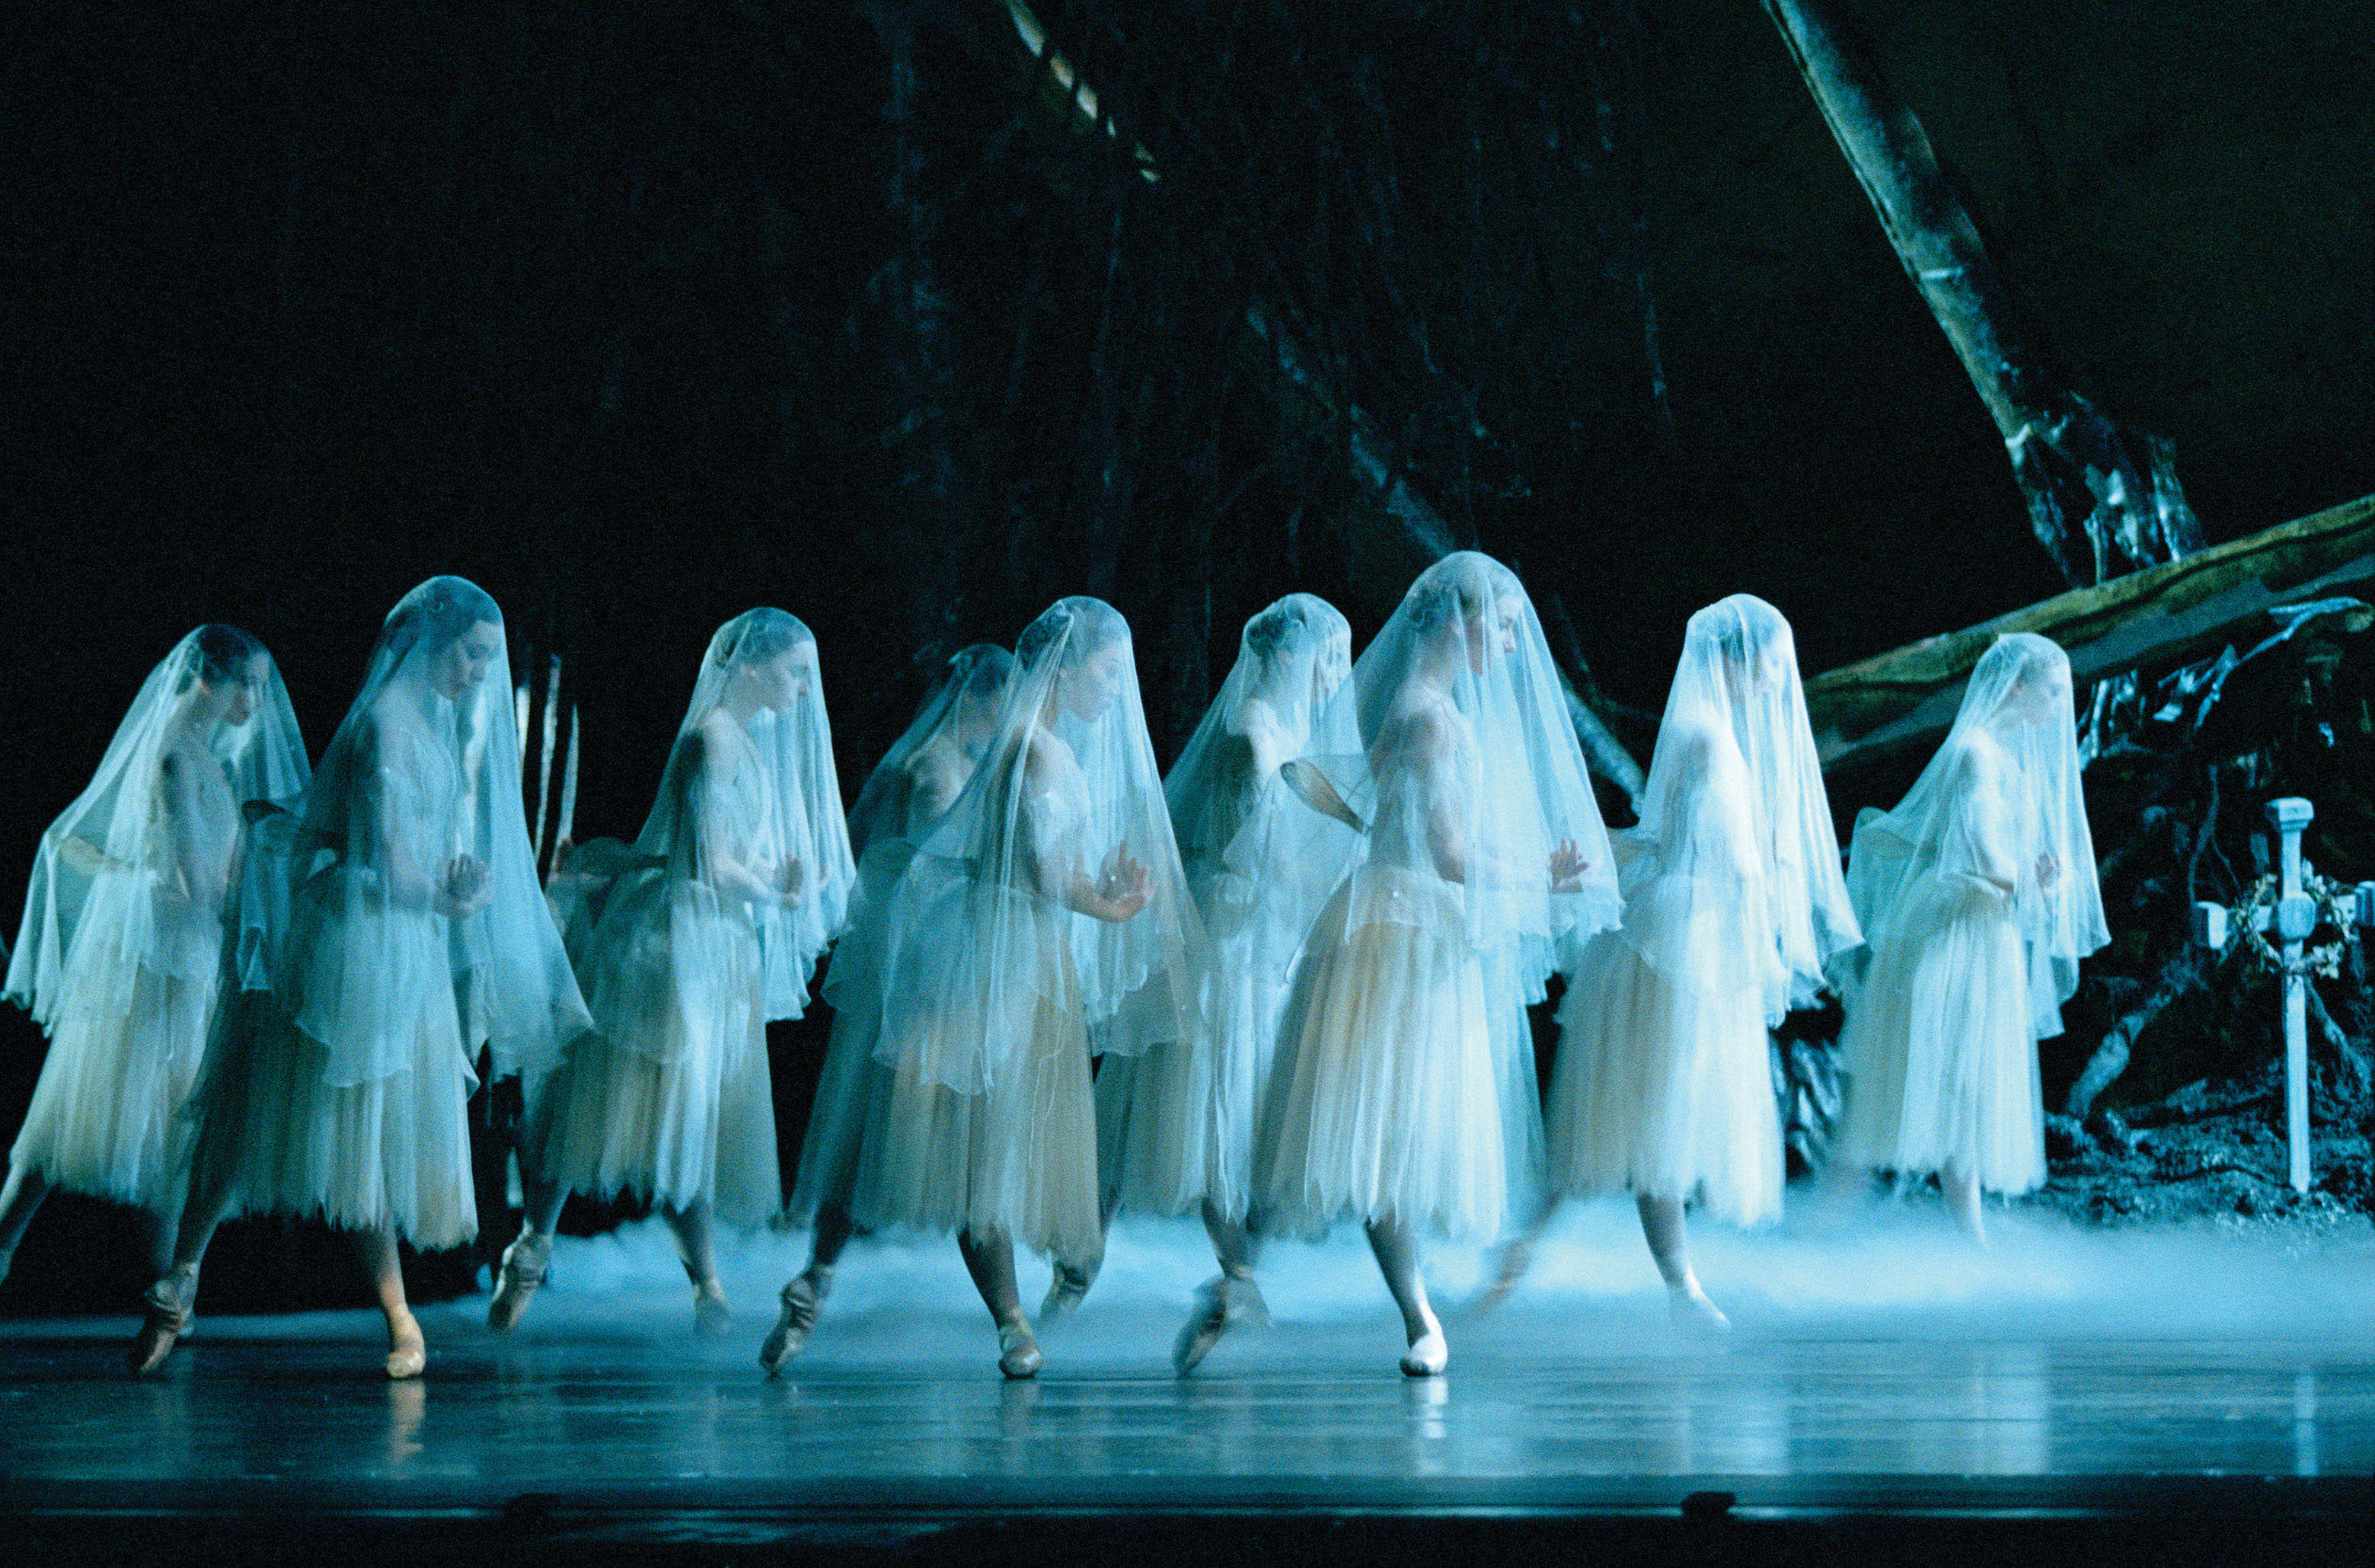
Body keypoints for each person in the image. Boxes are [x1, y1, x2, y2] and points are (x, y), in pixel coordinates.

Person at [131, 576, 592, 1379]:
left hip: (397, 944)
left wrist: (459, 883)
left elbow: (413, 852)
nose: (479, 672)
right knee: (298, 1116)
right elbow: (390, 864)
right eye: (471, 654)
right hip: (358, 946)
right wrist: (451, 894)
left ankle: (206, 1281)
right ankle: (219, 1282)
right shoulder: (383, 724)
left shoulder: (425, 724)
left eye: (487, 657)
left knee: (336, 1129)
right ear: (431, 641)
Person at [1253, 553, 1620, 1375]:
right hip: (1402, 932)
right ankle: (1395, 1311)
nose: (1512, 645)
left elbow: (1381, 813)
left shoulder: (1419, 708)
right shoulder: (1429, 716)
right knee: (1380, 1131)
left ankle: (1273, 1280)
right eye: (1504, 626)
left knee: (1375, 1134)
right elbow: (1450, 855)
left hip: (1398, 923)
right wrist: (1538, 878)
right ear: (1460, 620)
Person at [850, 599, 1197, 1377]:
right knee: (988, 1141)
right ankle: (1013, 1318)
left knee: (993, 1142)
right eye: (1109, 672)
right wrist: (1112, 904)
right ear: (1065, 671)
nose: (1117, 689)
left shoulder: (1032, 744)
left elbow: (1040, 861)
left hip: (1009, 946)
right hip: (1001, 954)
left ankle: (1016, 1317)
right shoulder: (1036, 750)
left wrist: (1097, 886)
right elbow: (1043, 874)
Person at [493, 609, 854, 1334]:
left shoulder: (741, 741)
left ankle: (697, 1283)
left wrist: (775, 877)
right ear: (750, 667)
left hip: (711, 946)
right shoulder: (712, 740)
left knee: (678, 1119)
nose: (802, 688)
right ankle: (540, 1244)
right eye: (793, 672)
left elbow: (724, 854)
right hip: (673, 947)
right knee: (610, 1102)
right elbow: (710, 864)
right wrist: (776, 889)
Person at [1521, 596, 1857, 1329]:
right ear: (1738, 659)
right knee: (1651, 1112)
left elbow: (1666, 833)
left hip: (1679, 931)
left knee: (1648, 1117)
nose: (1776, 681)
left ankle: (1657, 1280)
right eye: (1770, 666)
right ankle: (1662, 1282)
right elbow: (1727, 855)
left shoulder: (1705, 730)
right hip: (1683, 940)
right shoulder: (1708, 736)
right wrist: (1762, 892)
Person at [1094, 594, 1356, 1374]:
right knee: (1211, 1103)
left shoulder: (1285, 730)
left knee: (1255, 1111)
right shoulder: (1251, 731)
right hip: (1231, 938)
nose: (1332, 676)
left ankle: (1234, 1275)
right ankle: (1229, 1274)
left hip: (1260, 933)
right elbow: (1261, 839)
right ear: (1289, 656)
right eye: (1325, 659)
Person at [1, 626, 308, 1291]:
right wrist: (260, 896)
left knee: (169, 1119)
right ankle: (22, 1246)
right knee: (104, 1106)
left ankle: (168, 1284)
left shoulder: (202, 754)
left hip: (187, 950)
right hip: (163, 954)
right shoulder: (175, 755)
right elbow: (196, 882)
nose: (254, 701)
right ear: (208, 678)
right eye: (246, 684)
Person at [761, 643, 1012, 1372]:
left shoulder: (927, 761)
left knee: (866, 1143)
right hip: (930, 987)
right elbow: (932, 869)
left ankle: (814, 1281)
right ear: (982, 697)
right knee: (955, 1152)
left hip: (914, 985)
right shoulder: (938, 769)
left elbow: (870, 858)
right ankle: (1011, 1320)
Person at [1840, 633, 2105, 1241]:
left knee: (1968, 1084)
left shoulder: (2005, 758)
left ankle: (1966, 1230)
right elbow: (1984, 857)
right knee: (1948, 1079)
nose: (2058, 706)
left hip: (1986, 931)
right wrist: (2035, 881)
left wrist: (2038, 881)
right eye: (2051, 692)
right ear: (2016, 686)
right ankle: (1872, 1224)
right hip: (1953, 934)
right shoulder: (1975, 754)